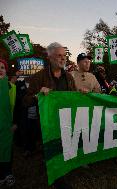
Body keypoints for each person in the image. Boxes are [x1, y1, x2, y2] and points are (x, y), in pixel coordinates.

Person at [23, 42, 76, 189]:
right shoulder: (38, 77)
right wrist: (37, 95)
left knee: (64, 150)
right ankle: (58, 179)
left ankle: (60, 173)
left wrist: (82, 94)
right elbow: (25, 101)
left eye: (64, 56)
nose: (63, 58)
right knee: (52, 152)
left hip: (66, 122)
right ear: (49, 57)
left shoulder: (69, 78)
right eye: (59, 55)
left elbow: (74, 98)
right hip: (48, 124)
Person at [0, 59, 17, 187]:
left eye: (2, 67)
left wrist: (15, 123)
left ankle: (7, 173)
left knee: (6, 150)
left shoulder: (12, 88)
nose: (0, 69)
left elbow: (18, 107)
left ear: (6, 71)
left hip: (7, 127)